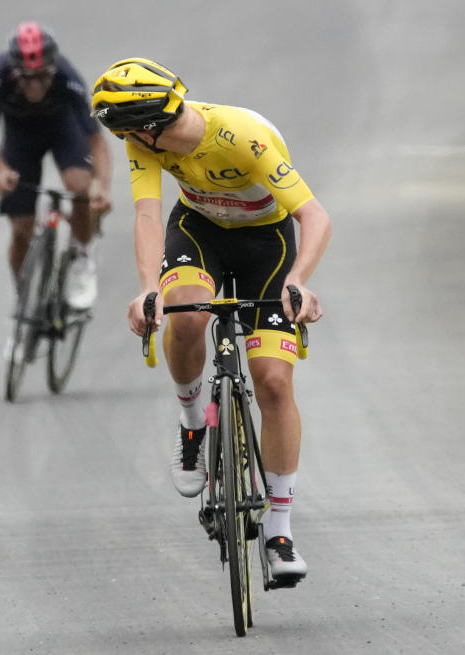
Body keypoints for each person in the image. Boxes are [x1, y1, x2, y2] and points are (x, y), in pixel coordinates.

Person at [91, 58, 332, 581]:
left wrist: (298, 280)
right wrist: (147, 290)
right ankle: (193, 423)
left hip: (265, 243)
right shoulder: (144, 142)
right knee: (186, 317)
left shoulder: (241, 136)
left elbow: (313, 215)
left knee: (271, 381)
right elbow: (149, 215)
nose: (123, 139)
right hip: (198, 229)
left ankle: (280, 530)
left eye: (126, 130)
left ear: (150, 127)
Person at [0, 21, 112, 320]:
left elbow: (96, 140)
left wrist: (102, 188)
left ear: (52, 69)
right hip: (20, 137)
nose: (35, 86)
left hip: (62, 129)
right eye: (26, 78)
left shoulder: (67, 77)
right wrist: (0, 170)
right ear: (14, 71)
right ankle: (24, 296)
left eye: (41, 77)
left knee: (78, 186)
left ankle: (83, 257)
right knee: (21, 228)